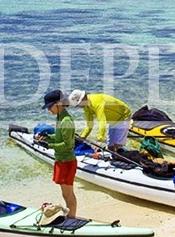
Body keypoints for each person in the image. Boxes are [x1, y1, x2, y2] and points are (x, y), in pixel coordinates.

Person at [38, 90, 77, 218]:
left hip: (67, 161)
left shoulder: (66, 121)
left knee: (68, 194)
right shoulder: (60, 117)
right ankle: (70, 216)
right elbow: (59, 137)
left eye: (50, 106)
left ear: (58, 104)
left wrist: (49, 146)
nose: (49, 110)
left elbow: (68, 145)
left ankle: (71, 218)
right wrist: (47, 137)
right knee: (65, 194)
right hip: (61, 160)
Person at [67, 90, 131, 152]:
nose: (79, 107)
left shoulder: (96, 102)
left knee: (117, 144)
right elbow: (89, 125)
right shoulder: (86, 106)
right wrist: (82, 137)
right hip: (112, 120)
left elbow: (102, 121)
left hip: (124, 116)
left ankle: (123, 155)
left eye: (79, 104)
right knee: (110, 146)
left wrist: (99, 140)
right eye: (77, 106)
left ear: (83, 98)